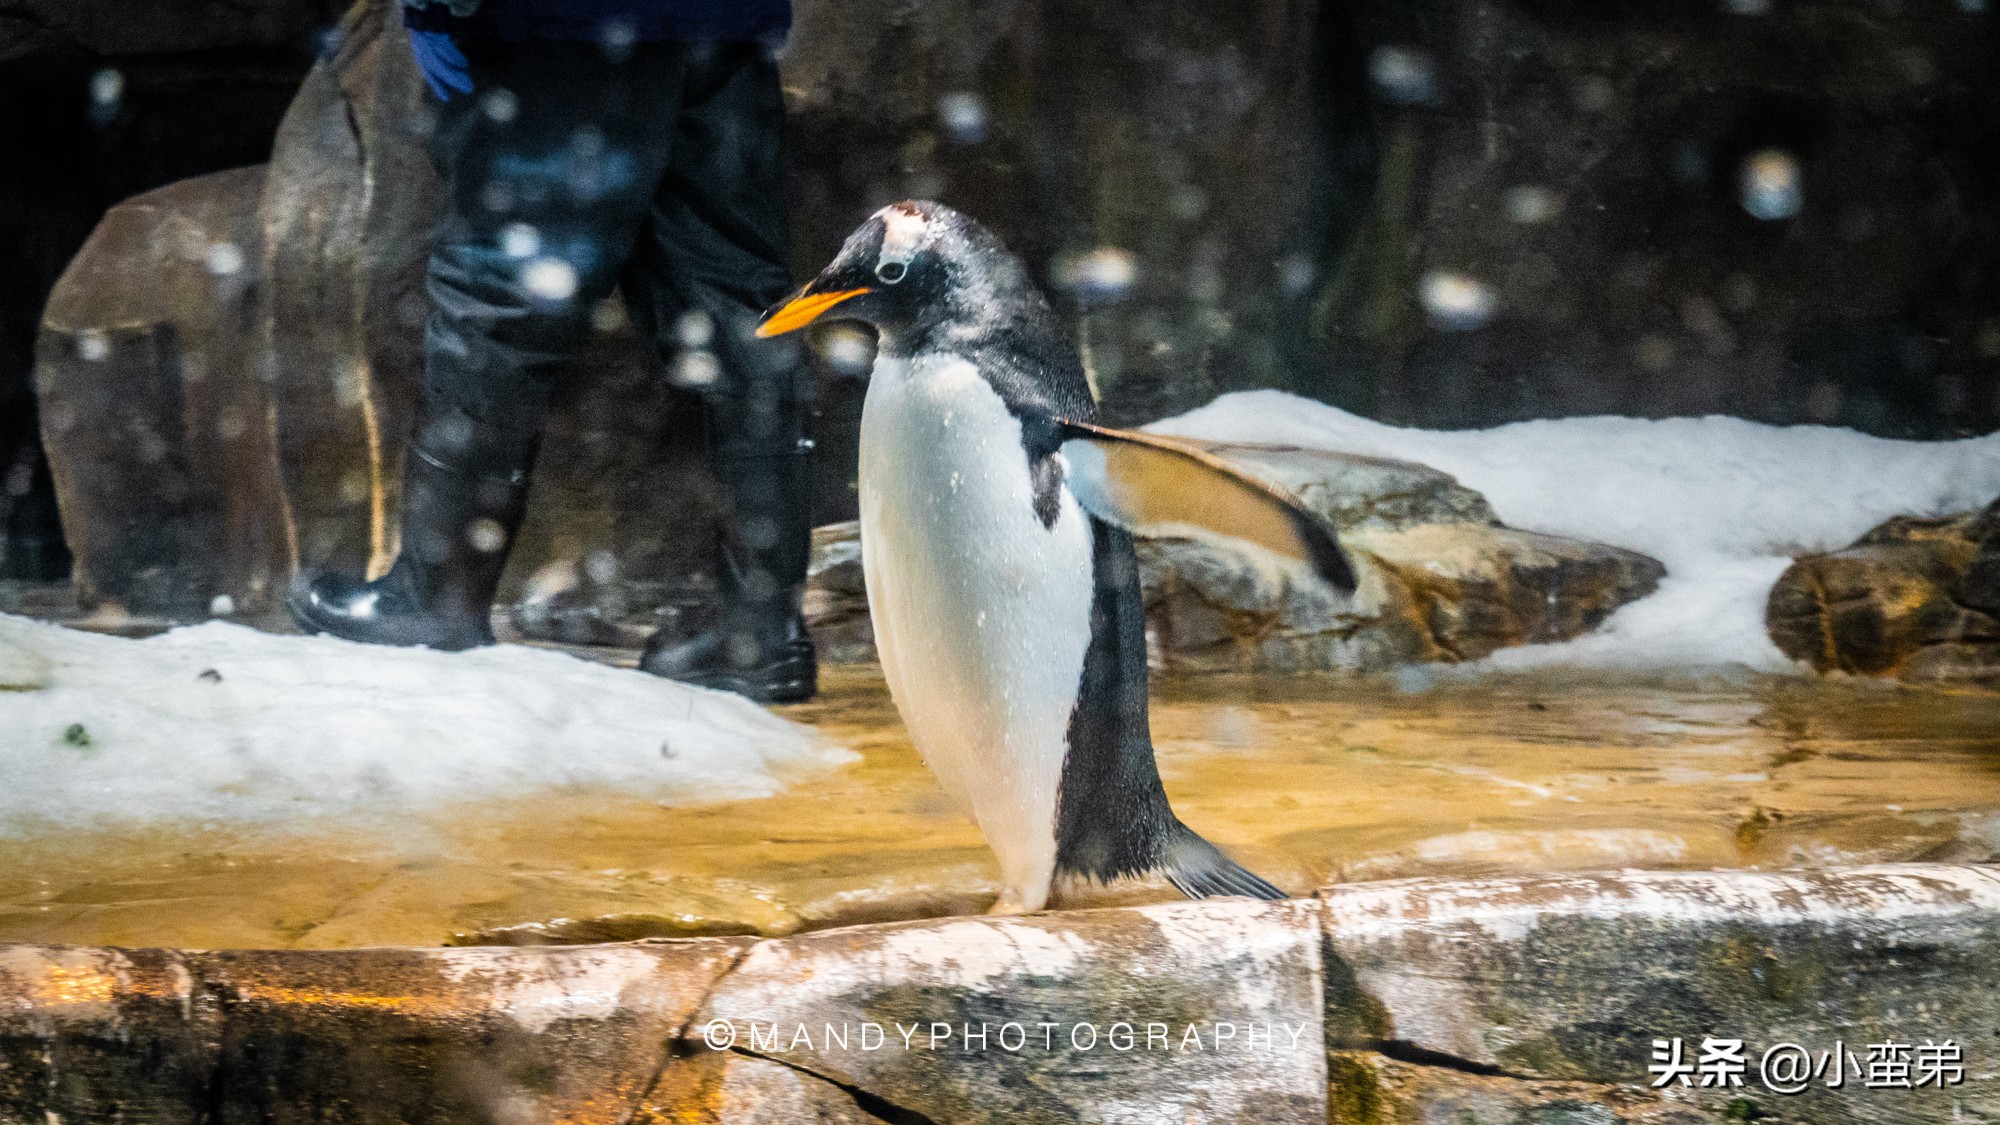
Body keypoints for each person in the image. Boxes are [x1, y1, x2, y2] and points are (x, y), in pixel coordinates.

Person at [289, 0, 819, 704]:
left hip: (563, 27)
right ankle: (762, 628)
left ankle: (433, 598)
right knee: (738, 308)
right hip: (718, 22)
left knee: (498, 297)